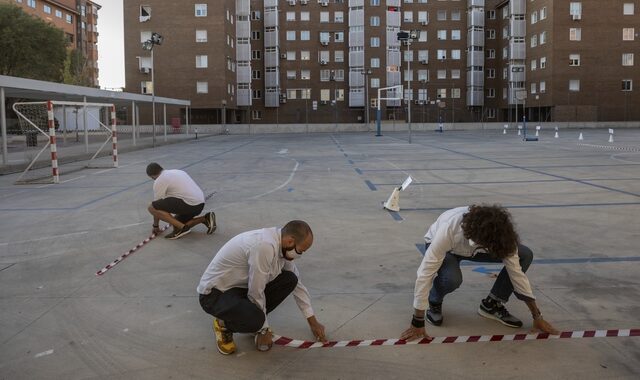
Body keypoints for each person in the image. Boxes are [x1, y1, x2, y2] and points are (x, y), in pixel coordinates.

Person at [400, 204, 559, 341]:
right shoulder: (449, 229)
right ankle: (434, 301)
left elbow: (517, 275)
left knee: (524, 254)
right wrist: (417, 321)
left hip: (475, 248)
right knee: (452, 279)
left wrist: (537, 316)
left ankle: (492, 304)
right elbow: (425, 273)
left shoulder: (502, 236)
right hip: (448, 248)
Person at [197, 220, 326, 355]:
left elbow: (298, 284)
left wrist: (313, 322)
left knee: (290, 279)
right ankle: (223, 325)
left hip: (239, 288)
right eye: (301, 250)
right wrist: (263, 328)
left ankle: (252, 320)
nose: (300, 255)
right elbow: (256, 292)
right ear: (290, 241)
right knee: (256, 320)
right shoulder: (264, 246)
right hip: (215, 294)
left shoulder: (281, 246)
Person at [146, 163, 215, 240]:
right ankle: (205, 218)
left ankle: (183, 229)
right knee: (176, 224)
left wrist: (155, 226)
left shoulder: (159, 180)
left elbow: (155, 207)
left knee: (151, 207)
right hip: (199, 205)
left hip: (189, 204)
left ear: (152, 176)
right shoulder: (177, 171)